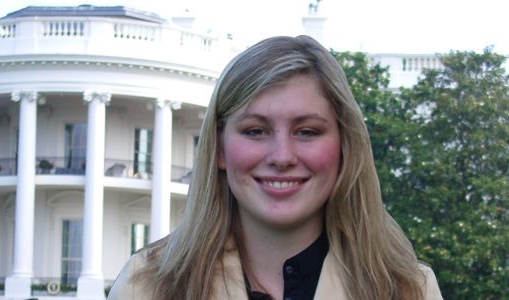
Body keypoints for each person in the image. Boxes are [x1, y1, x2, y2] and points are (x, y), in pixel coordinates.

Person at [107, 35, 443, 300]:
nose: (282, 156)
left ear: (345, 145)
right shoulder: (147, 288)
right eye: (255, 131)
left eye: (307, 132)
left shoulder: (406, 290)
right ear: (220, 148)